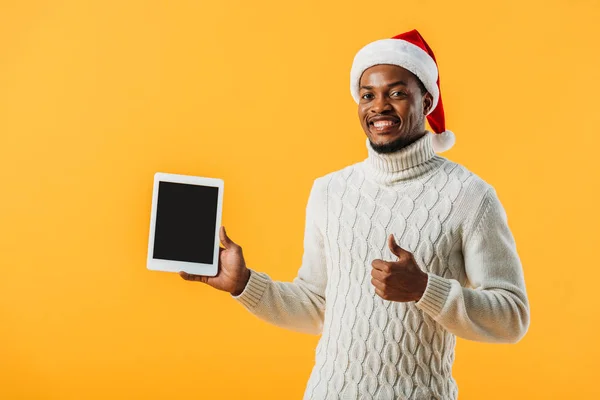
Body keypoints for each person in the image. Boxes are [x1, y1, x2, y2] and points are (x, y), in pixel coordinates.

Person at [180, 29, 530, 400]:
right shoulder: (329, 191)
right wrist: (244, 283)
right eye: (368, 95)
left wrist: (425, 289)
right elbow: (316, 307)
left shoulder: (470, 196)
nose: (379, 106)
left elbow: (512, 318)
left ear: (426, 101)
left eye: (396, 92)